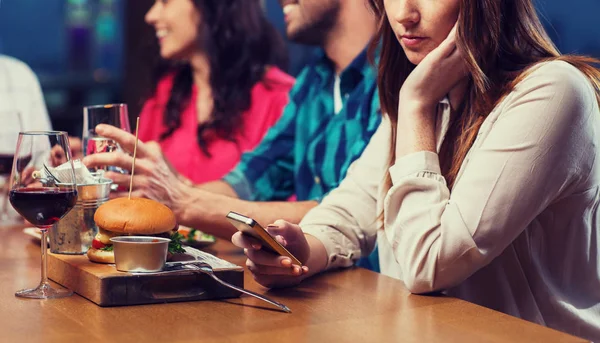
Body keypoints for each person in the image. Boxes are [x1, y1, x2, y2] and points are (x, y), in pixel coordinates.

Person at [232, 0, 600, 339]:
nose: (404, 14)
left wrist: (415, 106)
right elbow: (351, 207)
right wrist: (299, 251)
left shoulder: (551, 90)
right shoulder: (430, 95)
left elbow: (430, 264)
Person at [83, 0, 380, 239]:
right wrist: (168, 188)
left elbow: (349, 212)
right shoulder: (313, 83)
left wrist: (183, 201)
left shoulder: (395, 81)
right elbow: (249, 180)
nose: (151, 15)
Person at [137, 0, 293, 184]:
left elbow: (290, 203)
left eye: (165, 2)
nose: (151, 16)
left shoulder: (281, 97)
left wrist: (181, 194)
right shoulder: (165, 93)